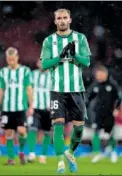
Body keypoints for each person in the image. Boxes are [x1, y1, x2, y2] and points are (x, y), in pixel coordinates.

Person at [40, 8, 91, 173]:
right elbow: (45, 64)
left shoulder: (80, 38)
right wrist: (59, 57)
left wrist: (75, 55)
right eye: (59, 18)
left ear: (70, 20)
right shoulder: (49, 41)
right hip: (57, 90)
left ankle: (70, 152)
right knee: (58, 125)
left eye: (65, 18)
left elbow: (87, 63)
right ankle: (60, 162)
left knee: (79, 128)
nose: (62, 20)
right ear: (55, 21)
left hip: (77, 90)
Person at [0, 47, 34, 165]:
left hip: (21, 107)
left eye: (13, 59)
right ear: (7, 59)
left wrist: (31, 105)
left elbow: (29, 89)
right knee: (8, 133)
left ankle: (21, 152)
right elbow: (0, 90)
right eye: (9, 60)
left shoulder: (25, 71)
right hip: (7, 108)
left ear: (17, 58)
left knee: (22, 131)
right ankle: (11, 158)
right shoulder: (3, 72)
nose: (11, 62)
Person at [86, 65, 120, 164]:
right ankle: (96, 153)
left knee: (110, 133)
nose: (99, 77)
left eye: (100, 74)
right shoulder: (95, 85)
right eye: (97, 75)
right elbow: (88, 97)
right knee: (96, 132)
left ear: (105, 74)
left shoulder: (112, 85)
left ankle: (113, 152)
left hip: (109, 113)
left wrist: (117, 109)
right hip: (98, 113)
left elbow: (118, 99)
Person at [27, 59, 52, 164]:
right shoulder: (32, 75)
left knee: (47, 132)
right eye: (40, 62)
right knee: (32, 129)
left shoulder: (53, 76)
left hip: (48, 108)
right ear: (37, 64)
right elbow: (28, 90)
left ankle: (43, 155)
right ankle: (32, 153)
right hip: (35, 107)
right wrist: (30, 105)